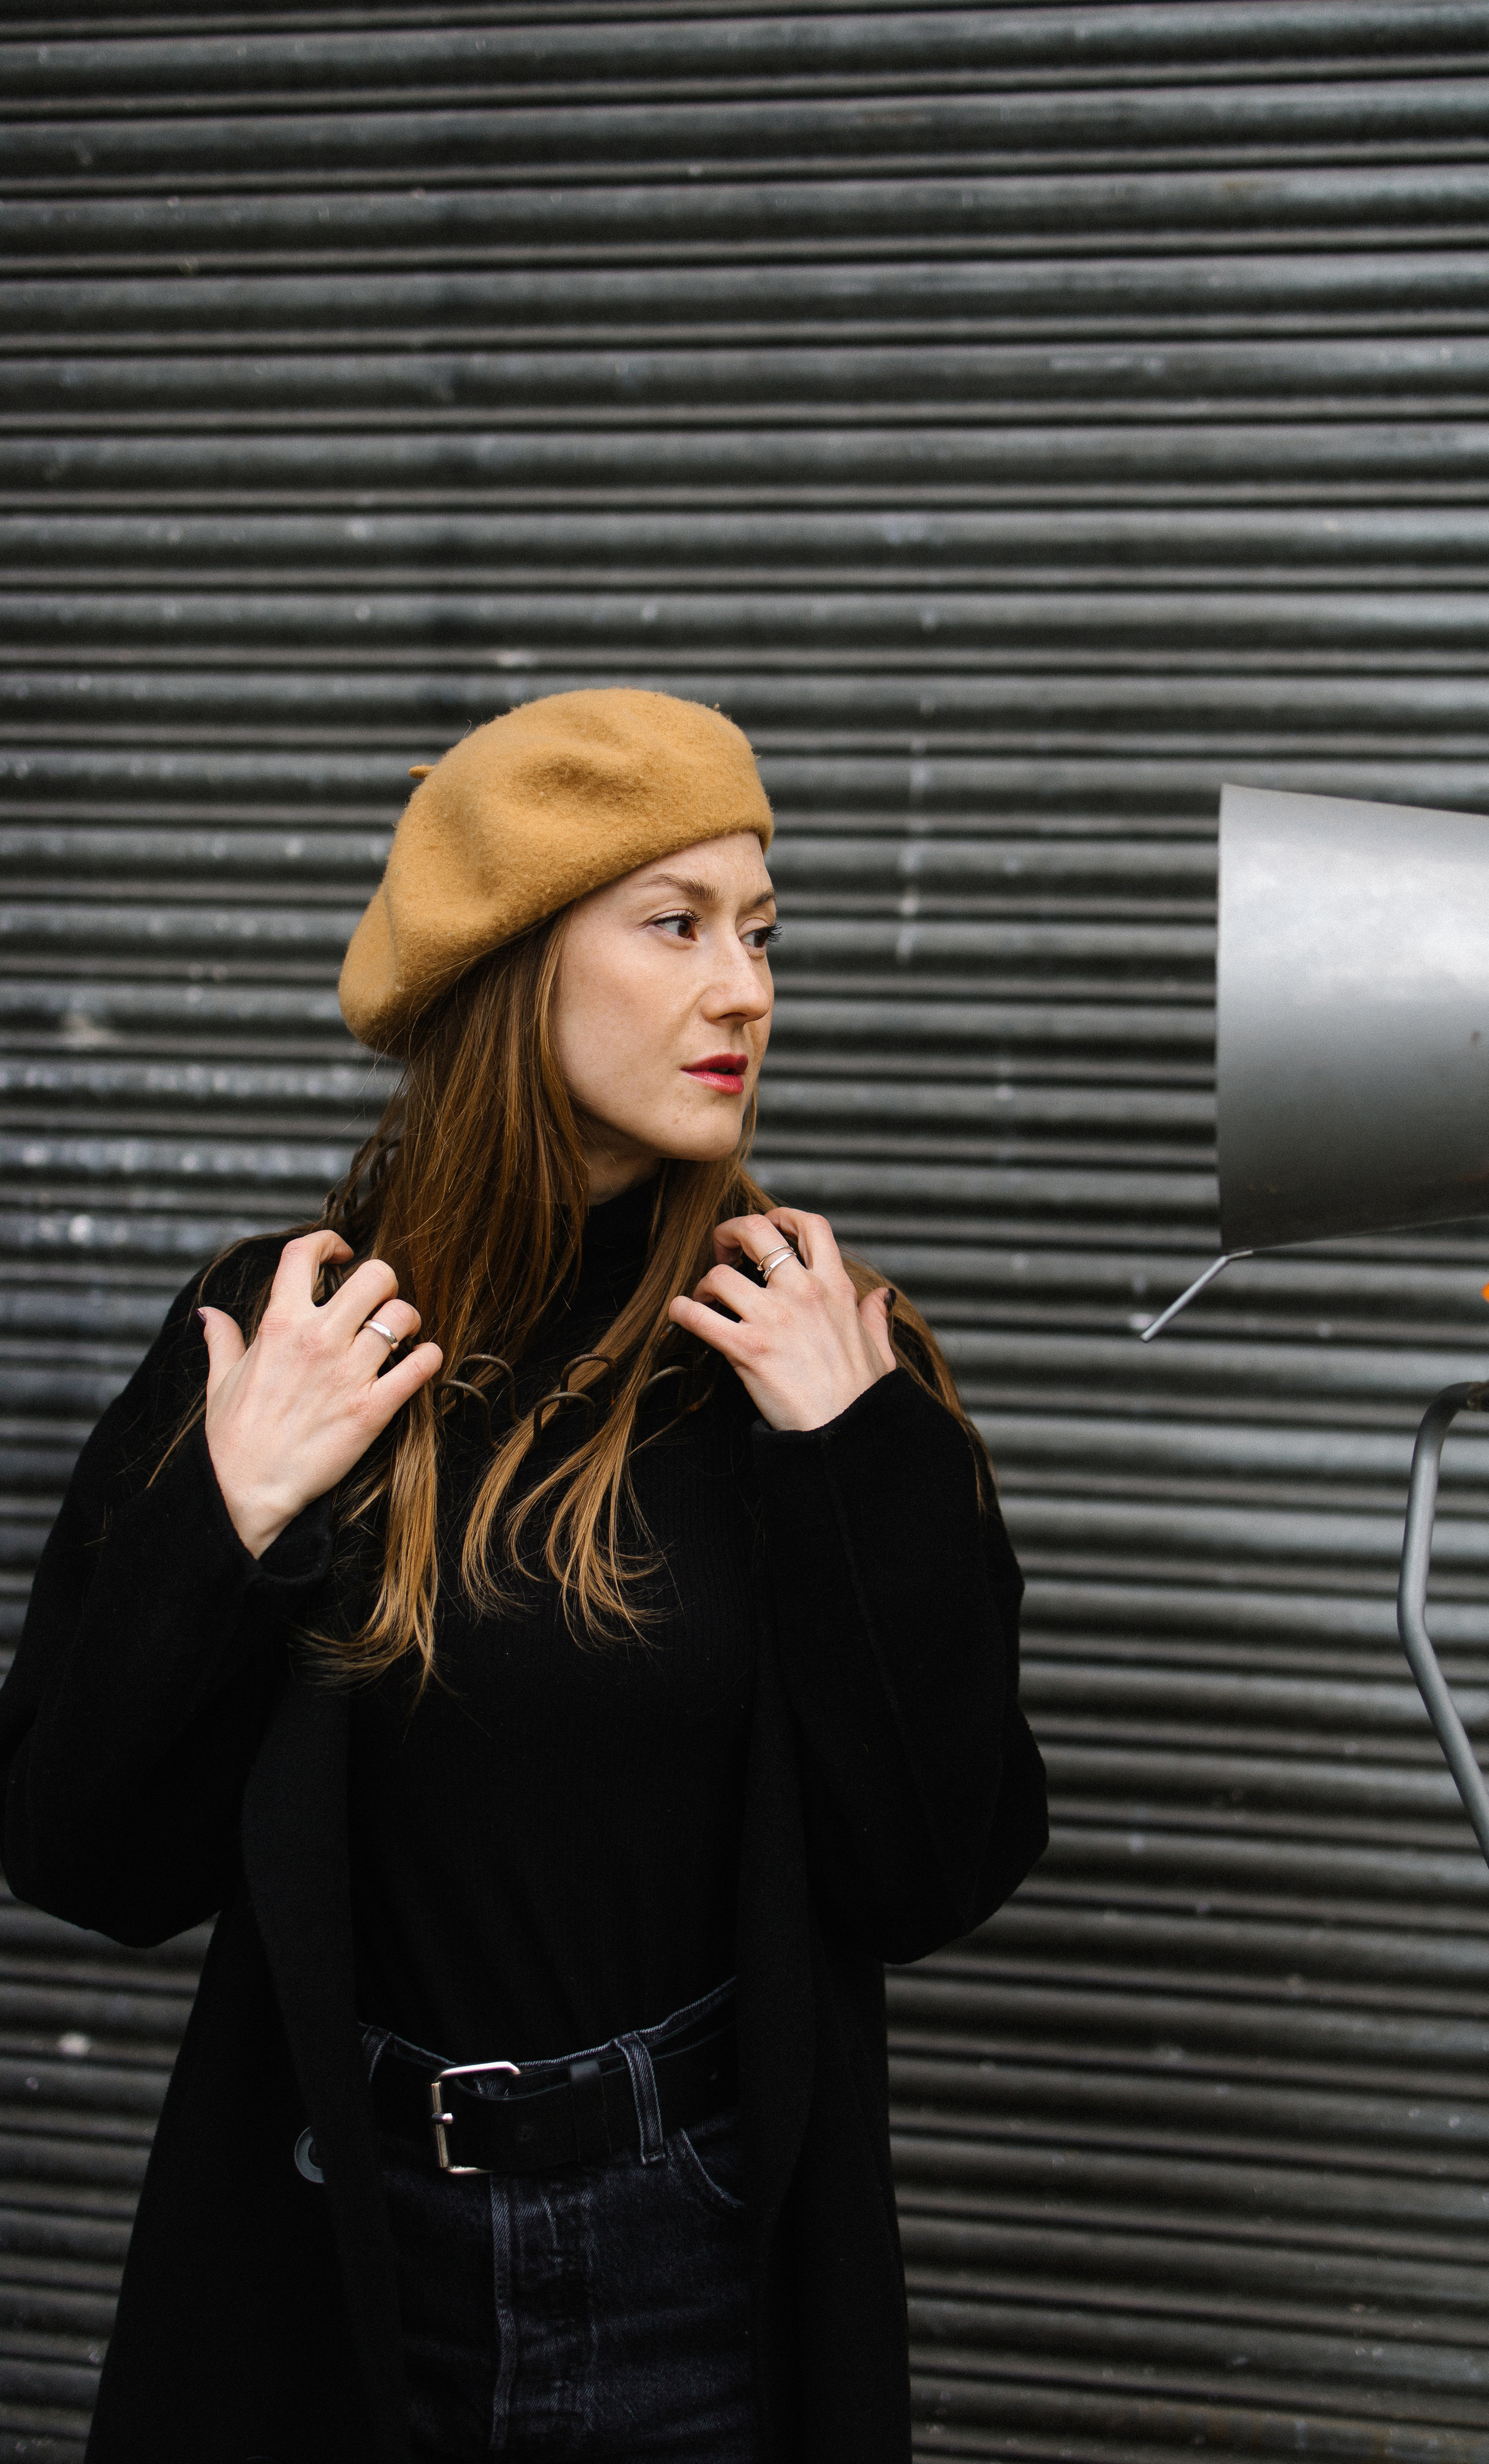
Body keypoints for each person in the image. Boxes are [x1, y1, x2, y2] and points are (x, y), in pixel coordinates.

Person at [0, 688, 1048, 2464]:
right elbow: (80, 1850)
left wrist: (854, 1462)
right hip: (336, 2269)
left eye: (761, 933)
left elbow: (938, 1873)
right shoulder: (295, 1333)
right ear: (508, 967)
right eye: (675, 925)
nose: (748, 989)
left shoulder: (797, 1344)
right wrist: (231, 1516)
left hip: (692, 2285)